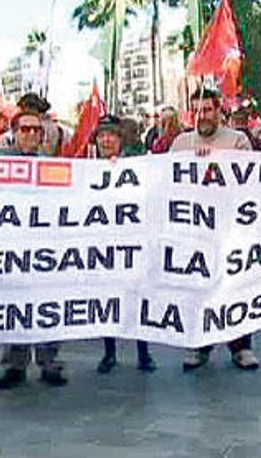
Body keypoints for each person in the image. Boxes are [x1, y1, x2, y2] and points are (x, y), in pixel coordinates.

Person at [170, 88, 258, 371]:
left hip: (231, 228)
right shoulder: (181, 143)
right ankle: (198, 345)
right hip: (194, 229)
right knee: (198, 287)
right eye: (196, 110)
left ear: (219, 111)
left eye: (207, 109)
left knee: (235, 287)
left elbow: (253, 177)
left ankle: (241, 347)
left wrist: (217, 159)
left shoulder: (237, 140)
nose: (202, 116)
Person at [0, 111, 68, 388]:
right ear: (14, 133)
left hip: (43, 248)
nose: (32, 135)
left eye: (37, 130)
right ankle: (15, 364)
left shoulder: (51, 165)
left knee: (46, 304)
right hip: (11, 249)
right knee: (14, 306)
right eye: (25, 130)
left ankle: (49, 362)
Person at [91, 116, 157, 374]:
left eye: (111, 136)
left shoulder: (138, 166)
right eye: (101, 136)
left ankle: (144, 352)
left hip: (133, 242)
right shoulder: (86, 169)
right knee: (108, 299)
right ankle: (109, 353)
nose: (106, 140)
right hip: (104, 244)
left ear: (120, 139)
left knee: (139, 297)